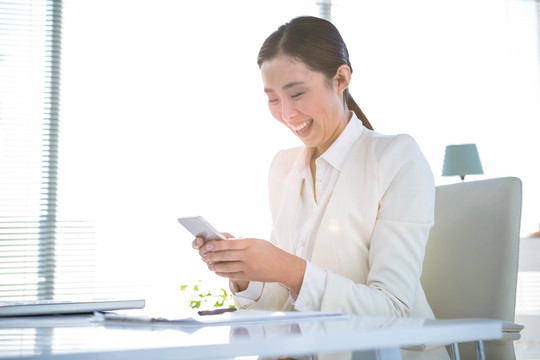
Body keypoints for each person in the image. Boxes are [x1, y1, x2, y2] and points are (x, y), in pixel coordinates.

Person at [193, 16, 449, 359]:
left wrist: (288, 268)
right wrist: (246, 275)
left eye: (297, 93)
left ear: (341, 78)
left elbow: (392, 312)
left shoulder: (396, 157)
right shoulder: (283, 168)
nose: (286, 113)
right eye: (272, 99)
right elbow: (286, 304)